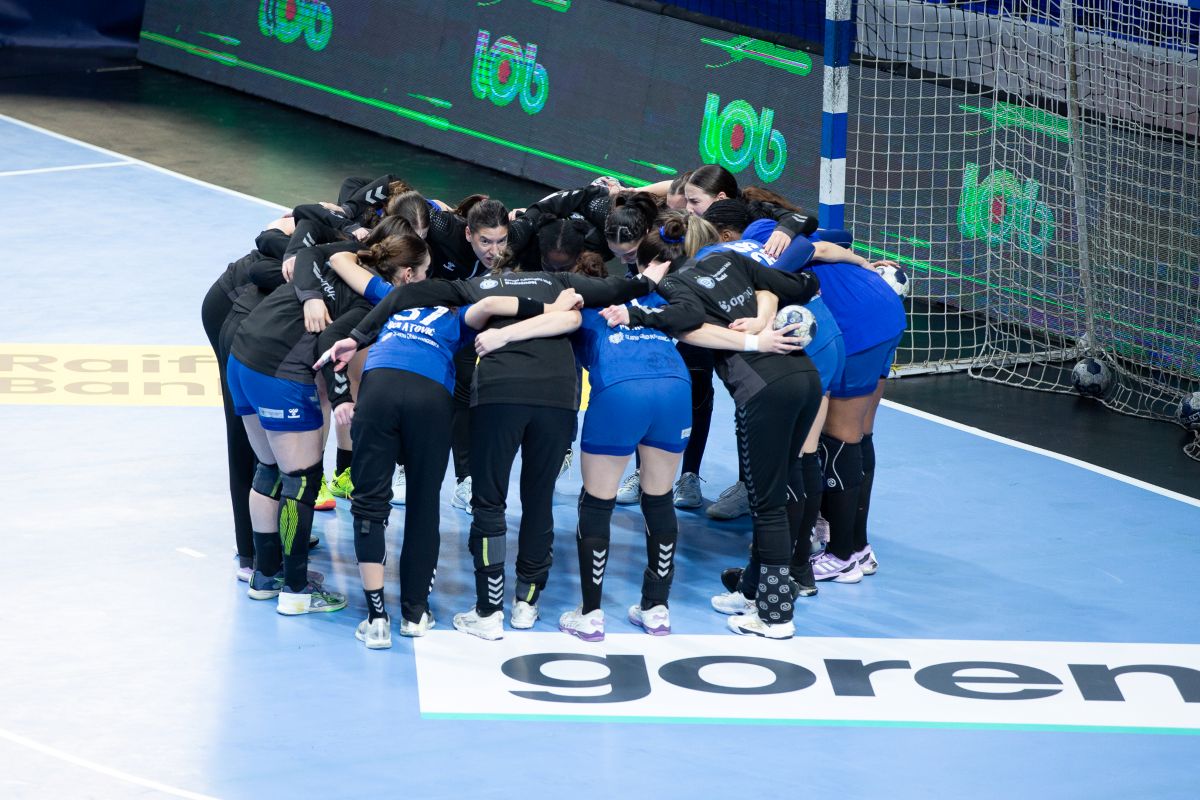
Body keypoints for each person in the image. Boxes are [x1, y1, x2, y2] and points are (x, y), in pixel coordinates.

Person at [323, 232, 668, 641]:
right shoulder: (555, 284)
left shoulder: (471, 288)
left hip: (489, 393)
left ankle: (476, 612)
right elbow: (606, 294)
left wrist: (357, 336)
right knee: (534, 500)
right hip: (554, 397)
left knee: (483, 502)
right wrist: (646, 279)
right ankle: (518, 605)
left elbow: (400, 294)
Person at [602, 226, 823, 639]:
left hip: (764, 391)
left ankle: (775, 615)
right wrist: (762, 317)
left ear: (656, 264)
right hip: (805, 377)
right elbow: (801, 284)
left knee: (767, 504)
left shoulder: (675, 284)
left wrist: (638, 313)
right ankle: (753, 590)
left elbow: (686, 321)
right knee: (785, 482)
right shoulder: (729, 259)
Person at [227, 233, 416, 615]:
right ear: (407, 275)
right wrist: (343, 397)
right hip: (279, 375)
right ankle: (296, 591)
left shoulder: (337, 258)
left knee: (268, 470)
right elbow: (329, 343)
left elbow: (307, 250)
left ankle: (266, 577)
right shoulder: (371, 303)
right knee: (301, 482)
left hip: (240, 358)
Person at [553, 216, 702, 642]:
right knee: (659, 498)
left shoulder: (580, 308)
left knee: (597, 503)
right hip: (675, 389)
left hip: (621, 394)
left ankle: (590, 613)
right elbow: (699, 323)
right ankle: (656, 609)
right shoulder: (659, 299)